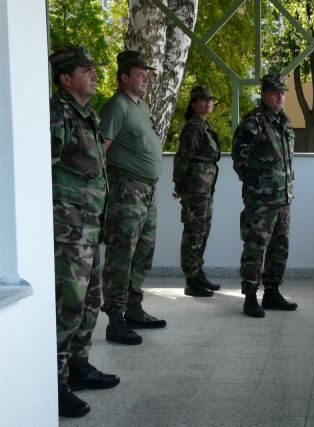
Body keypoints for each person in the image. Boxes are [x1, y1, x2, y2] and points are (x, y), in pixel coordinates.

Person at [49, 45, 120, 417]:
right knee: (67, 307)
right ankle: (55, 383)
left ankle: (79, 366)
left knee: (91, 301)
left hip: (90, 227)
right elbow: (44, 168)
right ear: (65, 79)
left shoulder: (86, 113)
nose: (93, 74)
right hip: (69, 231)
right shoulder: (58, 113)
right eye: (85, 70)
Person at [99, 50, 166, 345]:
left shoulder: (141, 106)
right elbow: (99, 151)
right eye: (140, 74)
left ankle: (134, 308)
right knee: (121, 255)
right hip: (126, 191)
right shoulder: (117, 106)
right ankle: (115, 320)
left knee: (143, 253)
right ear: (124, 77)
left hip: (147, 193)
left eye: (146, 74)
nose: (145, 79)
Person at [231, 73, 298, 318]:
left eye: (282, 92)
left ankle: (272, 292)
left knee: (280, 247)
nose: (280, 96)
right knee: (255, 247)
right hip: (261, 201)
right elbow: (239, 159)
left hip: (283, 199)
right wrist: (257, 186)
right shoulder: (254, 122)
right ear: (265, 94)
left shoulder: (284, 122)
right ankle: (250, 297)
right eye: (275, 92)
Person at [172, 85, 222, 297]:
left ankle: (198, 273)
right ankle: (191, 280)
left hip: (205, 189)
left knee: (203, 231)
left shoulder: (204, 126)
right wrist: (179, 185)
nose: (208, 102)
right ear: (193, 104)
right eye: (203, 99)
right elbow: (182, 158)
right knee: (193, 232)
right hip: (195, 189)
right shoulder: (193, 127)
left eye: (210, 99)